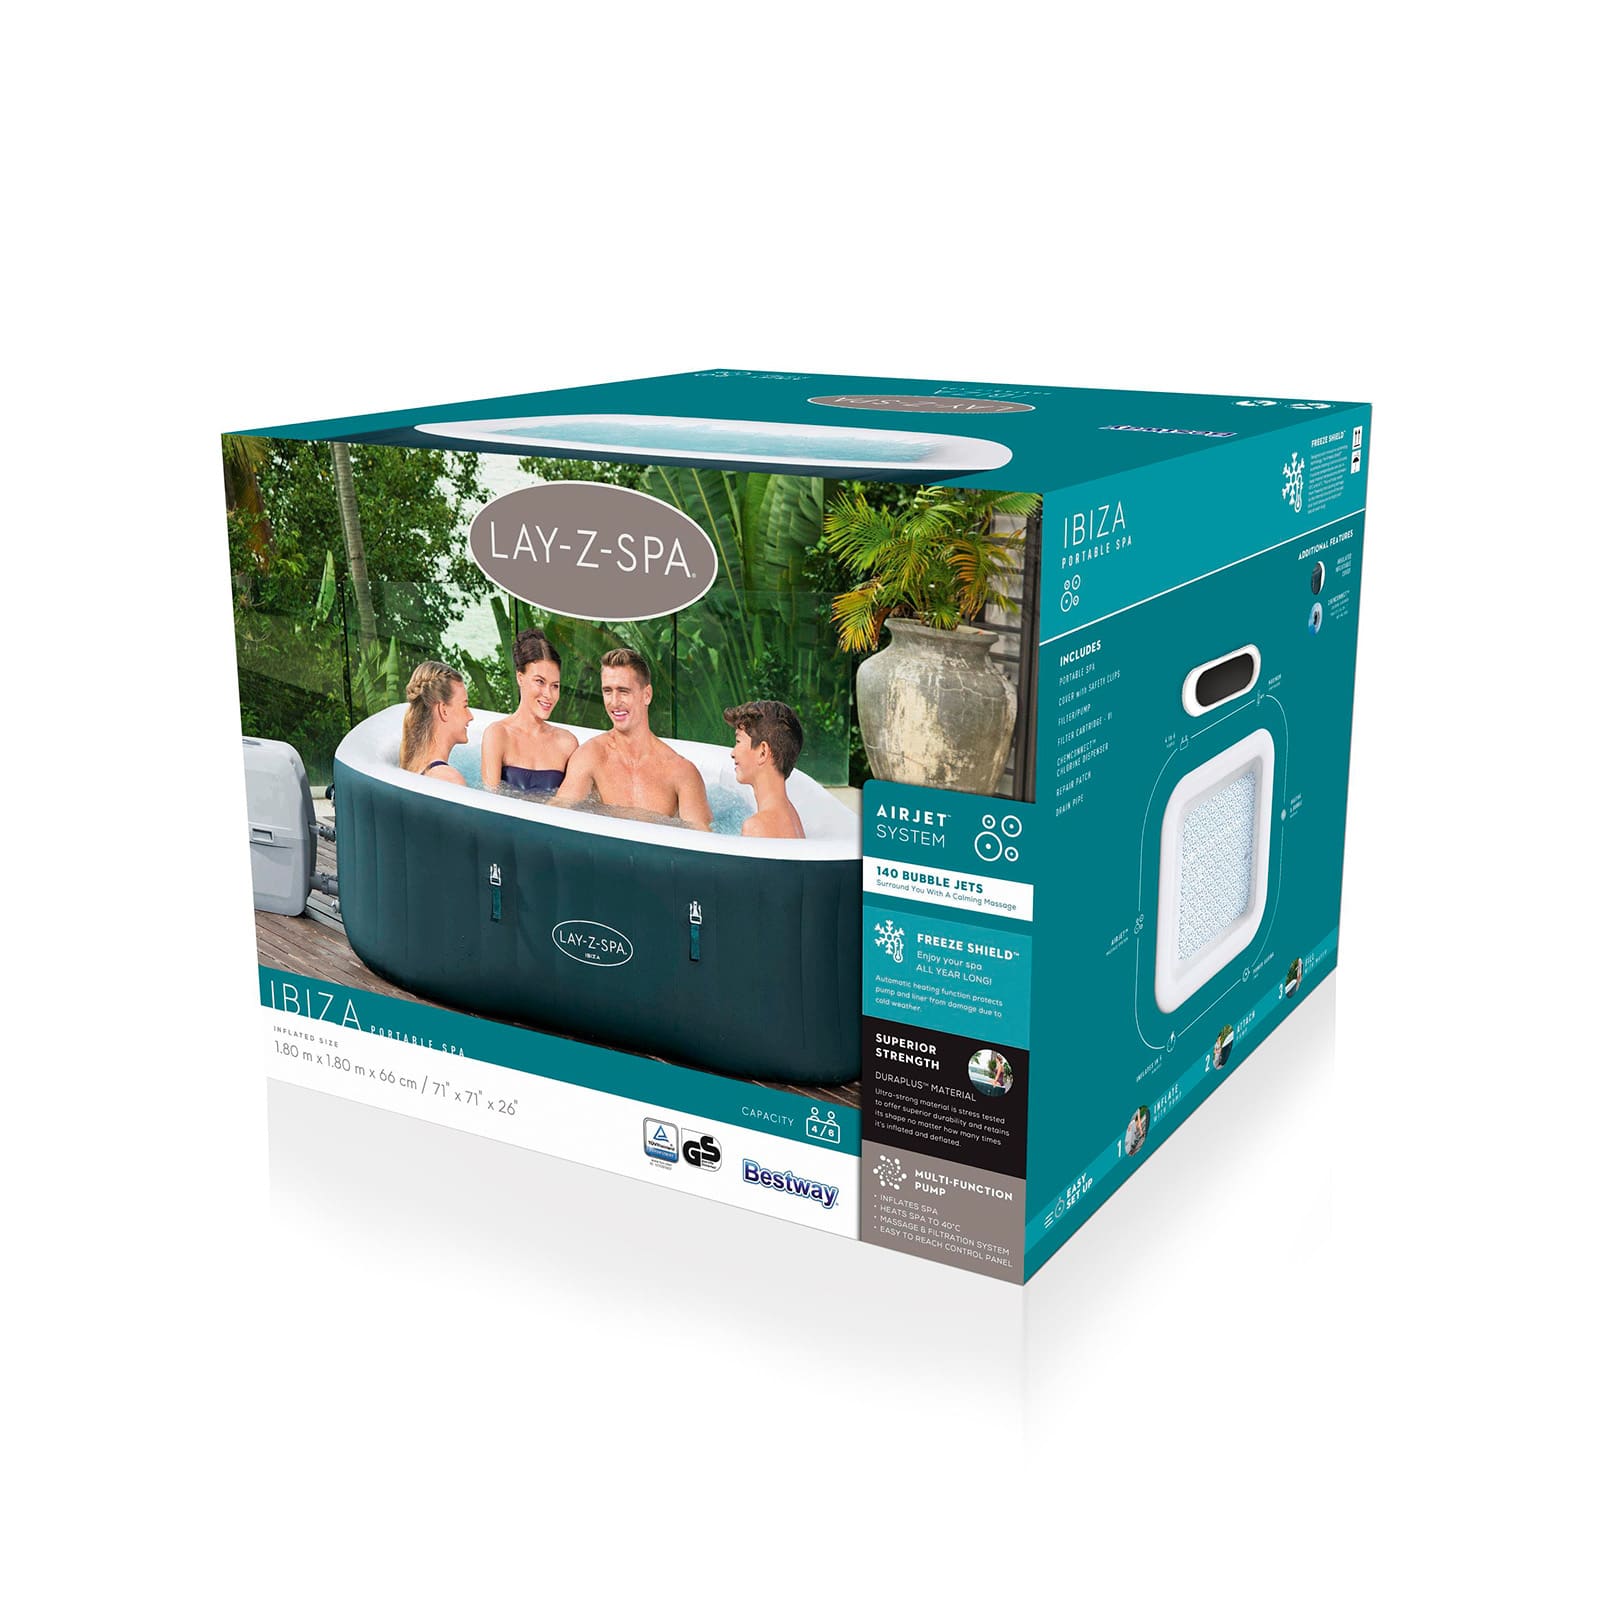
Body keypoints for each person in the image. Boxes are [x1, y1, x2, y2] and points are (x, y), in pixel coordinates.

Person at [553, 648, 711, 828]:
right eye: (607, 691)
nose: (614, 702)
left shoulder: (681, 773)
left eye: (623, 691)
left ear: (647, 695)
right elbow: (556, 815)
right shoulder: (591, 757)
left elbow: (701, 838)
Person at [481, 628, 577, 794]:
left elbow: (574, 803)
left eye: (555, 686)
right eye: (540, 682)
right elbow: (489, 800)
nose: (548, 694)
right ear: (520, 678)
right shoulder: (498, 735)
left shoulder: (567, 743)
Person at [723, 699, 806, 839]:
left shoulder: (756, 827)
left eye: (738, 741)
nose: (733, 753)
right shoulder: (791, 815)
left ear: (763, 752)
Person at [399, 661, 471, 785]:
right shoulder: (449, 779)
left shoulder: (413, 766)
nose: (470, 716)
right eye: (465, 706)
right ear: (443, 711)